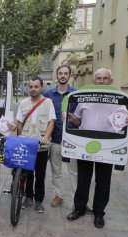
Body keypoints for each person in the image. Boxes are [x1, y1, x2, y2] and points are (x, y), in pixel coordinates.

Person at [66, 68, 128, 228]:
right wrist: (72, 119)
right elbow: (78, 121)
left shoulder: (120, 100)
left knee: (103, 181)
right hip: (85, 145)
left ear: (111, 82)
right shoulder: (84, 98)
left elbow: (123, 122)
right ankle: (80, 208)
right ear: (94, 81)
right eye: (98, 78)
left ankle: (98, 213)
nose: (101, 81)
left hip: (107, 146)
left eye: (105, 78)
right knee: (83, 178)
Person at [8, 77, 56, 213]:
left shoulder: (48, 102)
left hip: (41, 146)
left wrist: (46, 137)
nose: (33, 89)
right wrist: (19, 138)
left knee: (40, 174)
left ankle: (39, 200)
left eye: (36, 86)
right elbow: (20, 123)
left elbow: (51, 121)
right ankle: (28, 197)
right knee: (28, 173)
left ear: (41, 88)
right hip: (27, 145)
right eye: (31, 87)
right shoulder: (23, 103)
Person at [43, 65, 77, 207]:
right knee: (56, 170)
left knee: (74, 172)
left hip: (73, 140)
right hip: (55, 139)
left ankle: (78, 199)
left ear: (70, 75)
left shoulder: (77, 95)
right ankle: (58, 195)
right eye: (60, 73)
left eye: (65, 73)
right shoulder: (47, 95)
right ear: (56, 75)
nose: (63, 75)